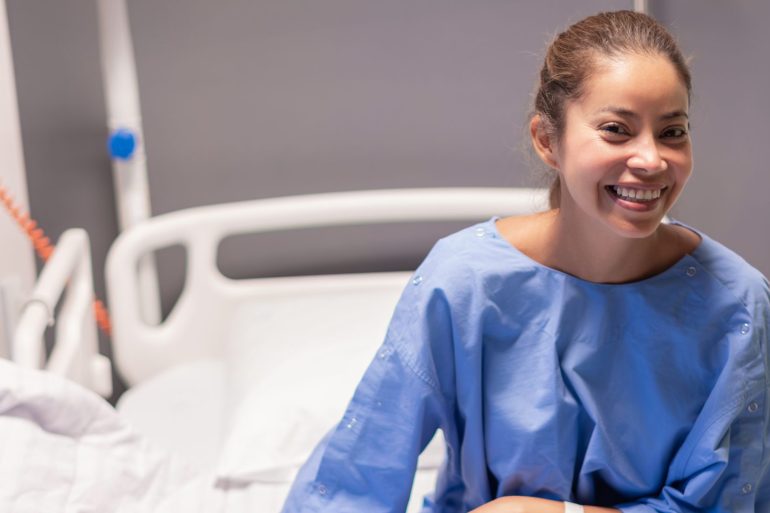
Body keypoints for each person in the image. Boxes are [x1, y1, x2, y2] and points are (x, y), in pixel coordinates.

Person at [281, 10, 769, 513]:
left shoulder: (736, 304)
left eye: (672, 132)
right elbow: (355, 479)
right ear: (546, 141)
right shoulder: (464, 284)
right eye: (616, 129)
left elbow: (731, 500)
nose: (651, 160)